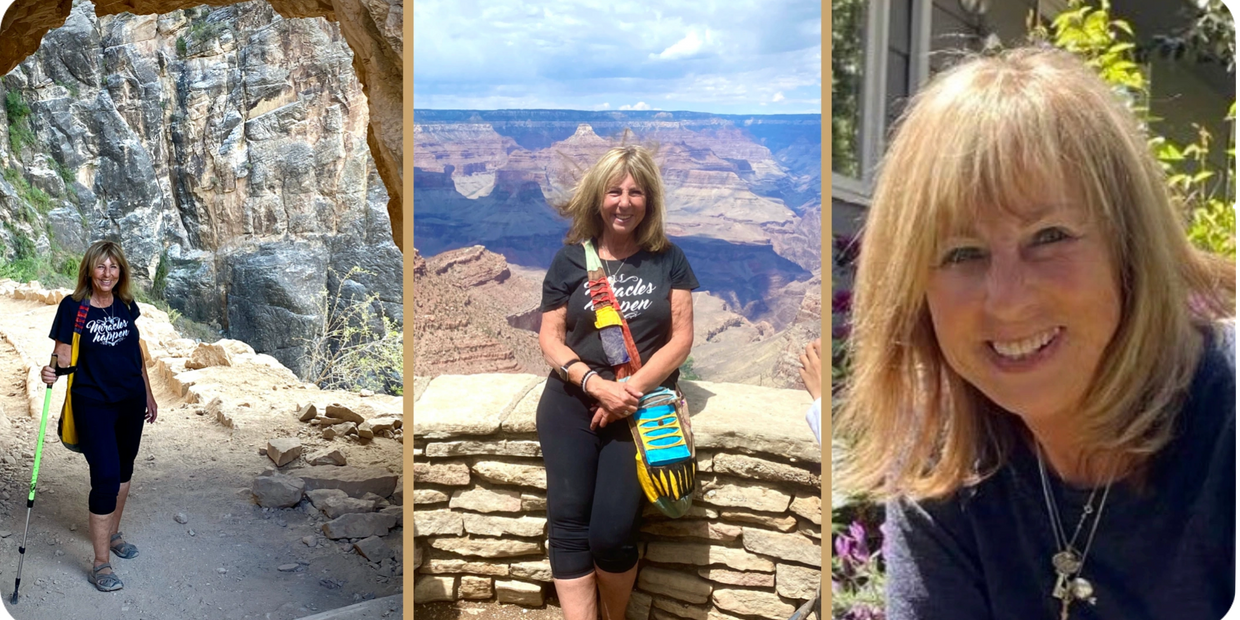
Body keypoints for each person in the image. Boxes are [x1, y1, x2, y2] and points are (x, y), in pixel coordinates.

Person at [833, 47, 1239, 619]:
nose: (1007, 298)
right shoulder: (940, 465)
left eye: (1049, 236)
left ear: (1131, 249)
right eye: (961, 252)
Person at [537, 145, 698, 620]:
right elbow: (550, 336)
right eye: (614, 191)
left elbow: (681, 339)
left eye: (636, 192)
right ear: (597, 198)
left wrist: (628, 392)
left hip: (642, 408)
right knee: (567, 525)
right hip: (571, 401)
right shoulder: (570, 260)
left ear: (649, 201)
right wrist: (594, 384)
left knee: (611, 533)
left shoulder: (669, 259)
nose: (624, 202)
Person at [40, 240, 158, 592]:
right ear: (90, 270)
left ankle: (114, 533)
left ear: (120, 271)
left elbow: (134, 350)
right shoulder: (73, 308)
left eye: (114, 267)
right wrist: (51, 372)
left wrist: (148, 393)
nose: (107, 273)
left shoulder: (124, 304)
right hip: (93, 402)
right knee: (106, 476)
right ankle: (100, 563)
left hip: (130, 401)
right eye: (101, 267)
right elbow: (61, 356)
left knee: (124, 470)